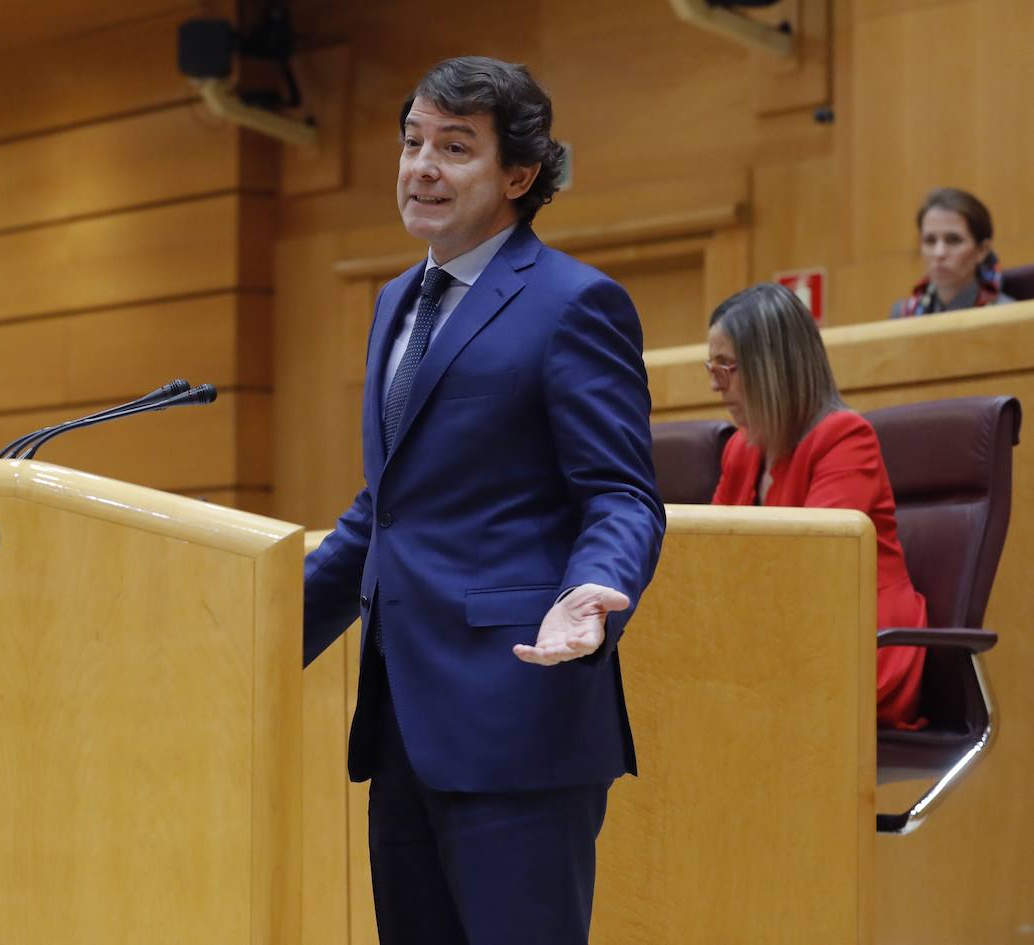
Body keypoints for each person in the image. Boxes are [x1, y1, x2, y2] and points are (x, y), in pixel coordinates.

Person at [302, 57, 664, 945]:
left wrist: (592, 592)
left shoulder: (575, 303)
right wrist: (257, 629)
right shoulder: (396, 300)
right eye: (412, 142)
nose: (421, 167)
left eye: (455, 148)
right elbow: (389, 509)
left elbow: (621, 492)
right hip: (402, 721)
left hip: (517, 713)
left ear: (519, 174)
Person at [709, 283, 926, 729]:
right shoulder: (741, 450)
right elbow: (710, 558)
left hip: (859, 645)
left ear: (773, 367)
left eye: (726, 367)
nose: (715, 385)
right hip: (781, 646)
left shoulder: (845, 438)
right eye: (711, 368)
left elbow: (812, 573)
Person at [890, 187, 1015, 318]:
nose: (939, 253)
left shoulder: (1006, 316)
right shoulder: (903, 314)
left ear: (982, 250)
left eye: (953, 240)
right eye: (930, 240)